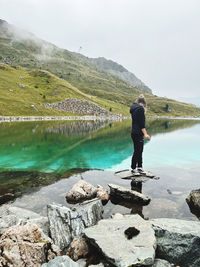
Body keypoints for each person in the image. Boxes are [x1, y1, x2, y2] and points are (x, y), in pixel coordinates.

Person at [130, 94, 150, 174]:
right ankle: (134, 168)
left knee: (138, 150)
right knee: (138, 150)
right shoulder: (140, 109)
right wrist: (146, 134)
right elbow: (142, 124)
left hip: (133, 132)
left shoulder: (133, 108)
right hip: (138, 133)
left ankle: (139, 167)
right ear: (144, 103)